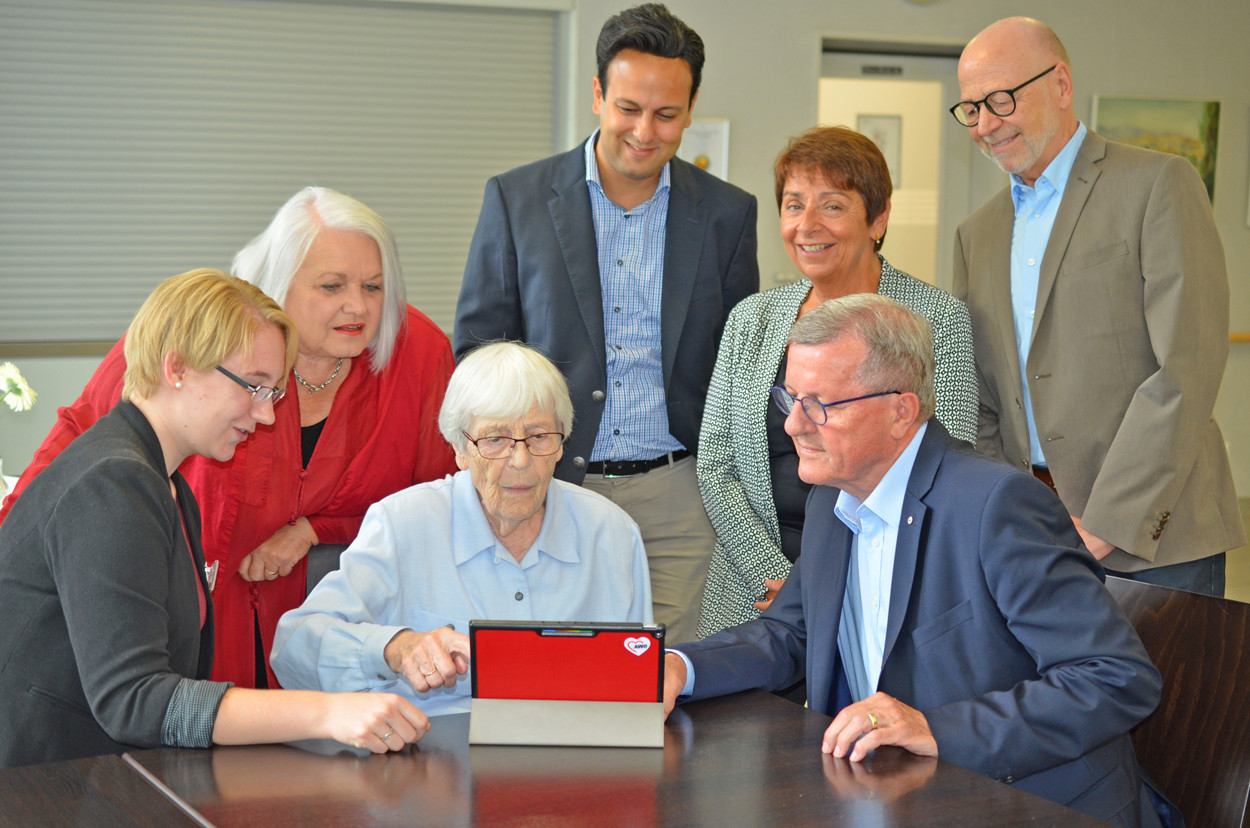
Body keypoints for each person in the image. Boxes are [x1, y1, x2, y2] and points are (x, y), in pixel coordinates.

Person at [664, 294, 1169, 828]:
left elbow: (1116, 678)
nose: (792, 428)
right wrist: (681, 665)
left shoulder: (995, 505)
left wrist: (935, 729)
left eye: (818, 406)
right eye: (789, 399)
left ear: (900, 411)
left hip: (1029, 805)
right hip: (894, 798)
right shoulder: (831, 497)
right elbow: (793, 634)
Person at [0, 187, 458, 687]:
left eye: (374, 287)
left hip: (328, 625)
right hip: (192, 615)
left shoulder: (419, 354)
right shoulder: (205, 333)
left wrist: (315, 529)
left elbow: (433, 504)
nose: (358, 307)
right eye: (331, 286)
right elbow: (79, 444)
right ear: (280, 282)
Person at [0, 270, 429, 769]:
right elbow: (134, 700)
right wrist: (328, 713)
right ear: (177, 367)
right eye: (253, 386)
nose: (265, 415)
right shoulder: (113, 482)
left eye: (272, 393)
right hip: (42, 788)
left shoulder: (160, 479)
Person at [453, 3, 758, 645]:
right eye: (628, 108)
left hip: (680, 493)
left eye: (666, 114)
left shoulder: (729, 215)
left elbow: (741, 364)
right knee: (557, 674)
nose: (645, 131)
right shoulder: (518, 199)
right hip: (555, 483)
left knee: (671, 685)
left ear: (690, 109)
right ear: (597, 95)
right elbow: (480, 351)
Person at [950, 17, 1242, 595]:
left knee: (1170, 691)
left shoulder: (1158, 183)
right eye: (971, 108)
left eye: (1001, 99)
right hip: (1030, 533)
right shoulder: (975, 233)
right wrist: (1009, 512)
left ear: (1061, 85)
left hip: (1155, 540)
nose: (985, 124)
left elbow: (1187, 366)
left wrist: (1108, 520)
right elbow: (980, 394)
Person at [696, 126, 977, 639]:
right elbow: (717, 465)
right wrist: (780, 575)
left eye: (832, 205)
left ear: (879, 216)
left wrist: (826, 580)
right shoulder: (751, 320)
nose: (806, 225)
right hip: (753, 591)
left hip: (878, 586)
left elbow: (946, 466)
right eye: (793, 204)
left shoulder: (937, 319)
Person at [272, 342, 653, 715]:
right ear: (458, 448)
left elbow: (638, 679)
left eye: (538, 437)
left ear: (561, 444)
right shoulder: (403, 524)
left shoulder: (611, 533)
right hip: (435, 756)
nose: (520, 460)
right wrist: (395, 647)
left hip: (577, 754)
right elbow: (293, 648)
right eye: (495, 439)